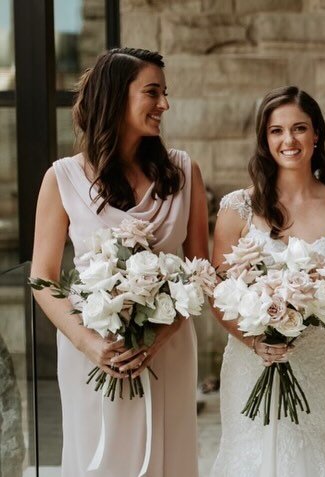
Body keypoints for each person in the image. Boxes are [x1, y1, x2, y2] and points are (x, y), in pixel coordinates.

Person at [30, 48, 209, 476]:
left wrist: (158, 340)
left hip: (168, 349)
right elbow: (42, 277)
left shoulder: (184, 173)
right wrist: (91, 345)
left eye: (165, 93)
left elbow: (201, 271)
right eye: (153, 92)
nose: (164, 104)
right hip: (94, 351)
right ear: (115, 97)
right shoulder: (62, 178)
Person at [211, 85, 325, 476]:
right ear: (265, 140)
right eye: (276, 131)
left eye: (299, 128)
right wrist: (254, 341)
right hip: (250, 363)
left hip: (320, 365)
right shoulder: (237, 208)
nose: (288, 140)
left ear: (317, 134)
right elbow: (219, 293)